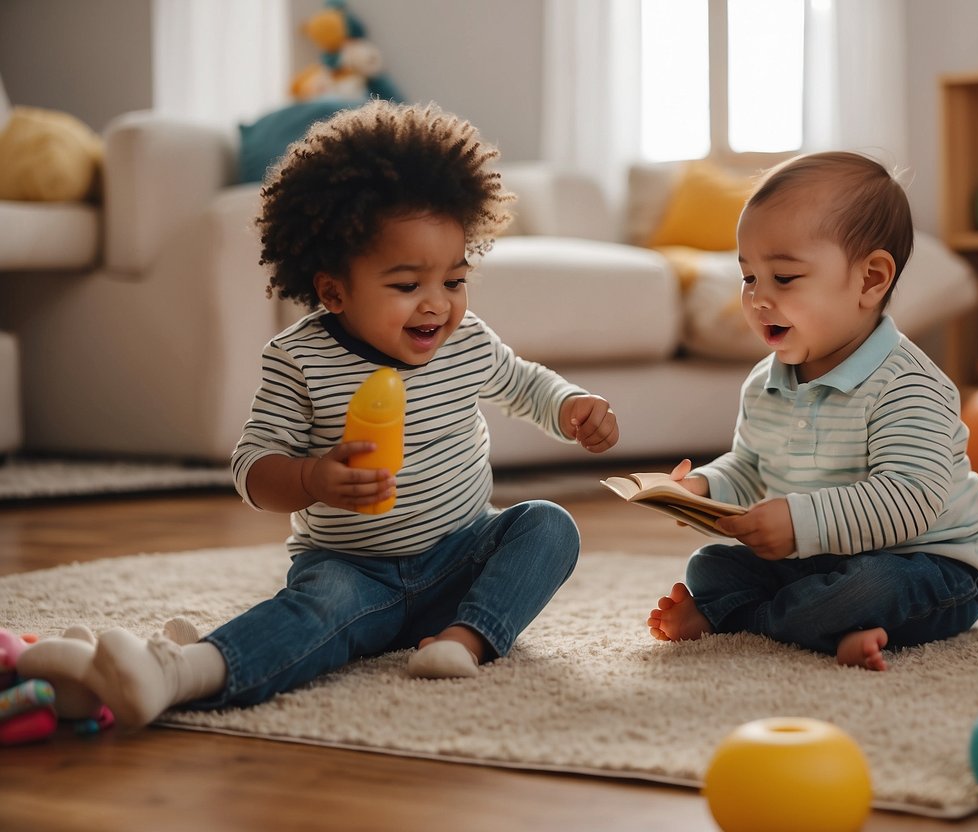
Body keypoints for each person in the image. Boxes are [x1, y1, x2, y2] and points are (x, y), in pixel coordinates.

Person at [54, 100, 620, 729]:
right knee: (316, 611)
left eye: (454, 281)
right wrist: (311, 479)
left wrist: (571, 406)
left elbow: (523, 384)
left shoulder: (466, 342)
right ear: (333, 291)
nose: (437, 305)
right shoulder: (298, 359)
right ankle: (177, 672)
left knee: (548, 526)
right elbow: (252, 467)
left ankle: (467, 640)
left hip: (461, 559)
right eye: (408, 286)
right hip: (353, 572)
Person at [647, 151, 978, 671]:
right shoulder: (765, 382)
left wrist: (797, 521)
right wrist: (702, 490)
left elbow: (910, 500)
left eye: (784, 278)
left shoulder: (909, 385)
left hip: (926, 564)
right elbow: (750, 467)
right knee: (711, 565)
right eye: (748, 278)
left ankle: (755, 620)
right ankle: (811, 625)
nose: (758, 298)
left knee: (867, 588)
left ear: (870, 280)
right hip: (814, 558)